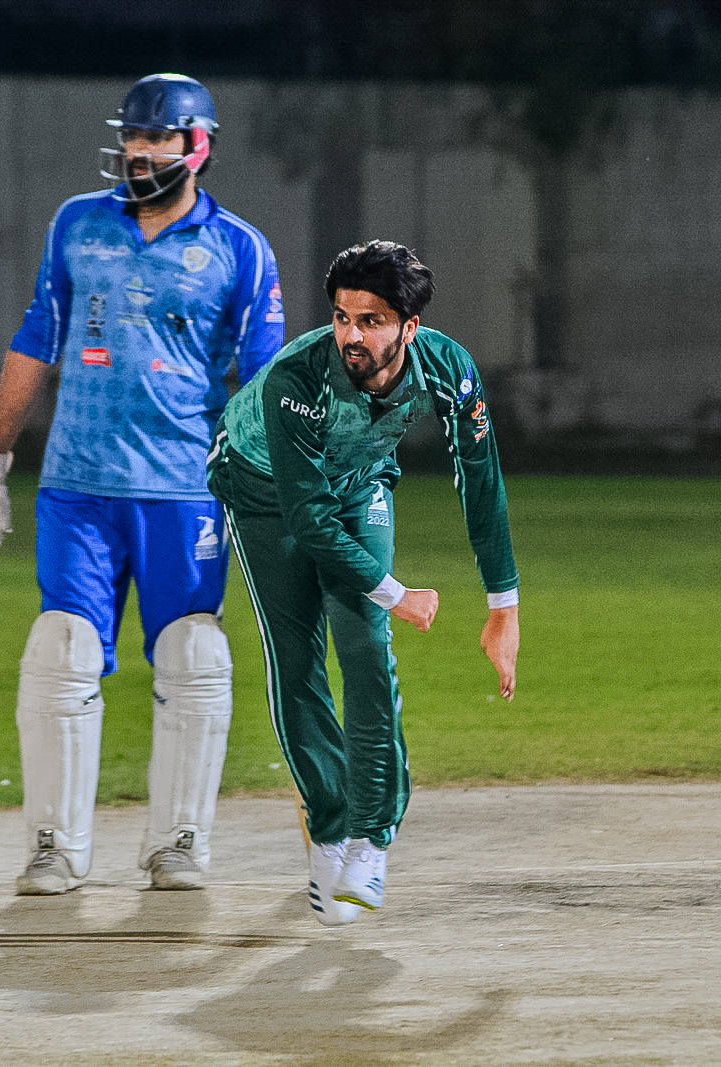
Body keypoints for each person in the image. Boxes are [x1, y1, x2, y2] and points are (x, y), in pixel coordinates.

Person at [0, 73, 285, 896]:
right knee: (61, 649)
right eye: (132, 136)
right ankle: (54, 847)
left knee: (193, 655)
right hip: (78, 485)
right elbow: (37, 339)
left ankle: (179, 842)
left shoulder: (240, 248)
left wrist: (273, 489)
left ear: (197, 147)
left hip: (186, 488)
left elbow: (264, 379)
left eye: (158, 137)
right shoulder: (78, 223)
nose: (139, 151)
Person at [207, 240, 520, 925]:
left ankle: (370, 839)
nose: (351, 334)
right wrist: (398, 594)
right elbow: (308, 518)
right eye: (343, 317)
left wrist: (504, 606)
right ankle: (328, 827)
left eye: (371, 320)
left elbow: (482, 479)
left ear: (410, 327)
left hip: (357, 481)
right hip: (263, 489)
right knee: (296, 660)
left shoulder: (447, 367)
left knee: (365, 648)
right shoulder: (299, 378)